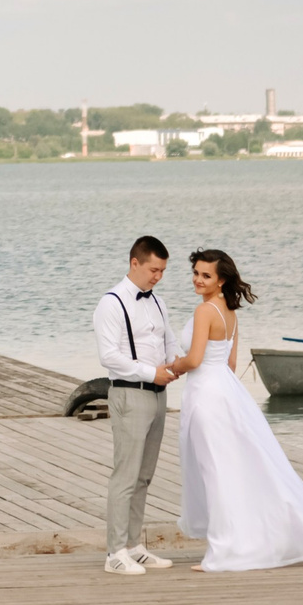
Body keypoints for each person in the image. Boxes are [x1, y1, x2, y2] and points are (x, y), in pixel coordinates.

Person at [161, 248, 303, 572]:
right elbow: (231, 364)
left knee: (214, 470)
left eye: (206, 275)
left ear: (221, 280)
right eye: (195, 273)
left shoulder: (205, 311)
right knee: (233, 466)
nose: (197, 280)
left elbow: (194, 360)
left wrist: (171, 367)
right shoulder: (230, 312)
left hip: (206, 394)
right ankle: (239, 541)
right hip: (225, 390)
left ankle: (223, 550)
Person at [93, 234, 180, 575]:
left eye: (162, 271)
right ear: (135, 263)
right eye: (153, 270)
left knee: (144, 475)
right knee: (125, 476)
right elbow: (109, 356)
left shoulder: (158, 302)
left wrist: (178, 364)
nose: (158, 277)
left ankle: (133, 546)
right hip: (129, 393)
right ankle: (114, 553)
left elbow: (168, 341)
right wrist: (150, 372)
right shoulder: (111, 303)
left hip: (159, 394)